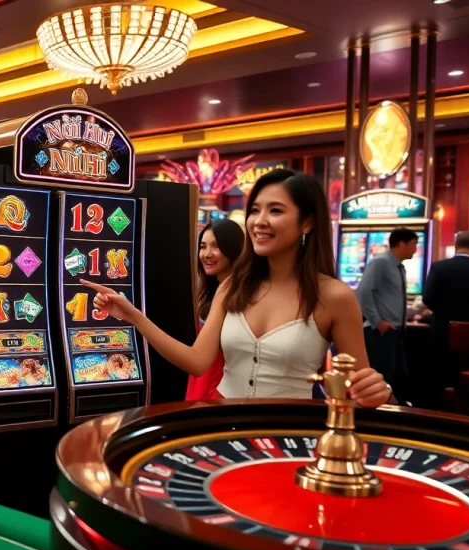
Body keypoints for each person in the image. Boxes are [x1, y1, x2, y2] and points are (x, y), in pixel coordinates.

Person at [84, 169, 390, 407]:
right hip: (223, 426)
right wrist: (135, 317)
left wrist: (375, 391)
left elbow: (357, 389)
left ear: (307, 223)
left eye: (276, 211)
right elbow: (197, 361)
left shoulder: (335, 297)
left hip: (291, 435)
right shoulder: (233, 286)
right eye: (255, 210)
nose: (259, 221)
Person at [186, 219, 244, 400]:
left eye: (216, 246)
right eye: (203, 247)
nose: (207, 254)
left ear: (233, 249)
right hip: (201, 388)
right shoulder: (211, 293)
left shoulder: (239, 296)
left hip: (221, 395)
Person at [355, 227, 418, 393]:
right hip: (381, 331)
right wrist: (378, 322)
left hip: (395, 331)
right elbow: (363, 292)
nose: (415, 249)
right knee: (381, 377)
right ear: (401, 244)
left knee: (397, 376)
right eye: (413, 244)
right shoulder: (381, 262)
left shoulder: (399, 267)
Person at [423, 231, 469, 402]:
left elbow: (427, 298)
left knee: (440, 376)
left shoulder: (439, 267)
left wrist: (442, 310)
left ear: (456, 246)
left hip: (442, 331)